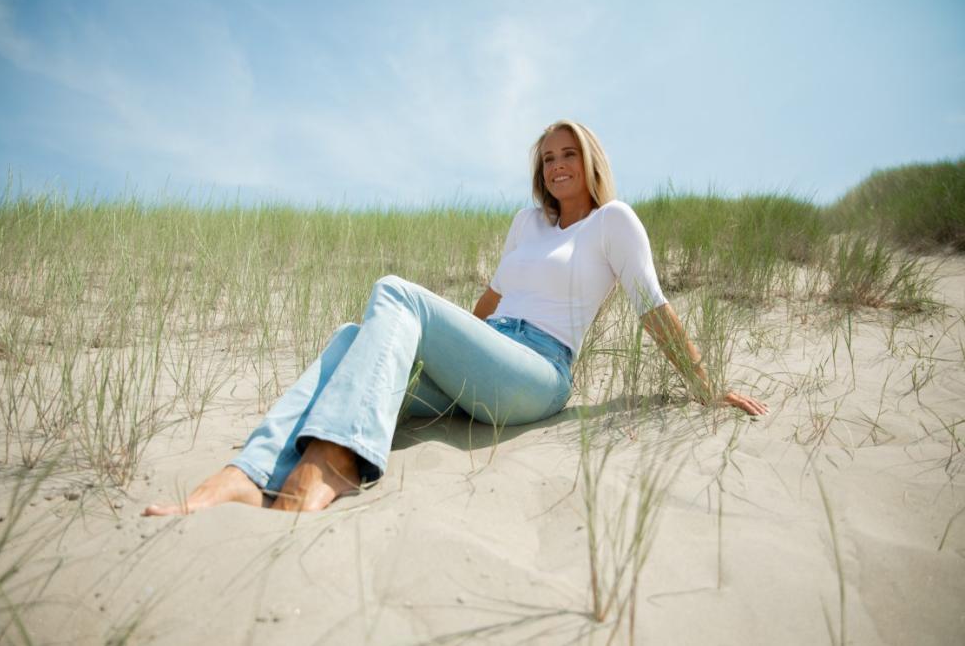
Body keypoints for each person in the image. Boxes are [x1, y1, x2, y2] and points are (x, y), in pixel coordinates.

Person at [143, 120, 768, 517]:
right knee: (352, 338)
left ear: (591, 159)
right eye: (547, 157)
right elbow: (488, 306)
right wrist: (438, 347)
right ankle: (246, 474)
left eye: (568, 153)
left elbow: (651, 306)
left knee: (396, 291)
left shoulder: (615, 222)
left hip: (537, 374)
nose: (556, 165)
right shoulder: (527, 223)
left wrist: (705, 385)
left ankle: (333, 465)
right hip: (487, 356)